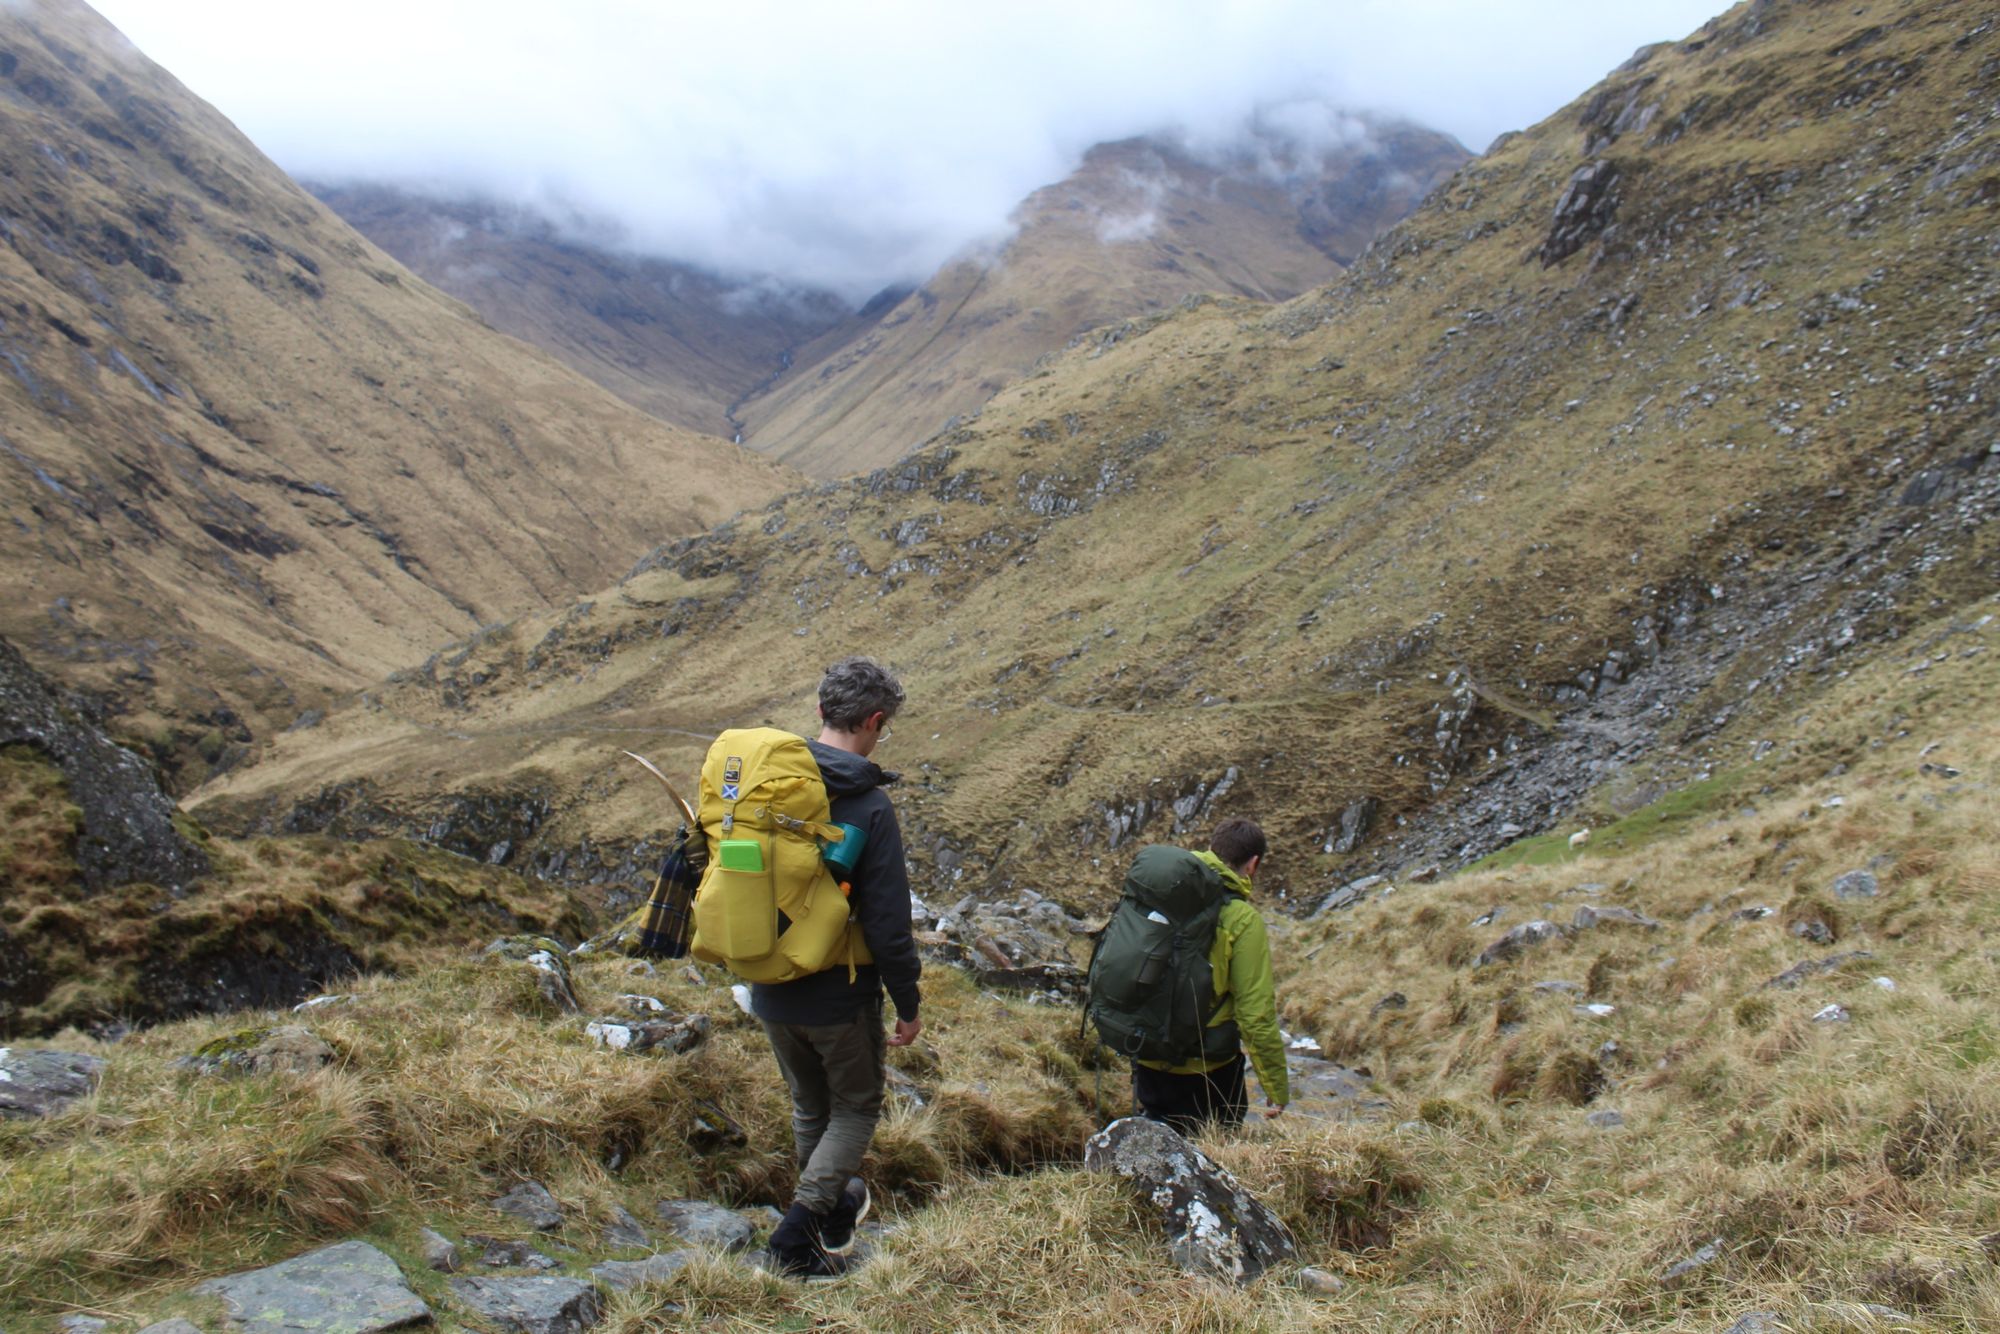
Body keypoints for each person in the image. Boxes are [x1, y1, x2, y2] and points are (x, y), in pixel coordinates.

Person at [758, 656, 922, 1278]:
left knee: (810, 1108)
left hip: (768, 981)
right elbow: (886, 924)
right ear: (874, 721)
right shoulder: (870, 804)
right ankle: (793, 1240)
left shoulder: (770, 783)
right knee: (855, 1108)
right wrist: (907, 1003)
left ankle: (828, 1216)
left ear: (822, 711)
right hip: (837, 992)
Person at [1131, 816, 1290, 1133]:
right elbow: (1255, 1014)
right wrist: (1276, 1087)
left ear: (1212, 850)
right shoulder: (1243, 920)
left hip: (1148, 1054)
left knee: (1157, 1138)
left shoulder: (1163, 893)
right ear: (1254, 864)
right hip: (1209, 1067)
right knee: (1217, 1147)